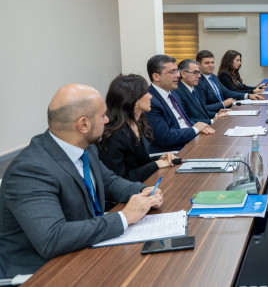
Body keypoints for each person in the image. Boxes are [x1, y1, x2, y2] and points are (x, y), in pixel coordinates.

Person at [0, 84, 163, 278]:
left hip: (83, 251)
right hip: (42, 273)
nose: (107, 120)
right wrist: (124, 217)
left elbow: (109, 181)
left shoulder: (85, 148)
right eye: (102, 115)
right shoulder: (30, 170)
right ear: (83, 125)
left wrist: (143, 191)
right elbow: (52, 238)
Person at [98, 74, 178, 184]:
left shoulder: (137, 122)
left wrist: (161, 158)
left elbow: (140, 163)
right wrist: (156, 164)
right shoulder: (113, 136)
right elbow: (119, 181)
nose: (150, 96)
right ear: (134, 100)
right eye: (146, 93)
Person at [145, 54, 214, 153]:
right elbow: (165, 138)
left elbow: (184, 122)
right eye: (172, 72)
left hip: (189, 140)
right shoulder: (150, 101)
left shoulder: (173, 93)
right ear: (156, 76)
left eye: (177, 71)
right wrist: (195, 130)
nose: (178, 75)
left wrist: (200, 126)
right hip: (172, 151)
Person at [195, 50, 263, 113]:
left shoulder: (214, 77)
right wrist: (223, 104)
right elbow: (202, 108)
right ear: (198, 64)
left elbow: (227, 92)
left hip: (226, 111)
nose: (211, 65)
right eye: (207, 63)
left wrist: (248, 95)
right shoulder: (198, 82)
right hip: (216, 115)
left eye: (212, 62)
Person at [176, 59, 228, 125]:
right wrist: (212, 121)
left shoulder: (194, 88)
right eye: (195, 72)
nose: (199, 76)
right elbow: (186, 120)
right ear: (183, 74)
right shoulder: (178, 92)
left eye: (199, 72)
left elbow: (202, 112)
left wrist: (217, 114)